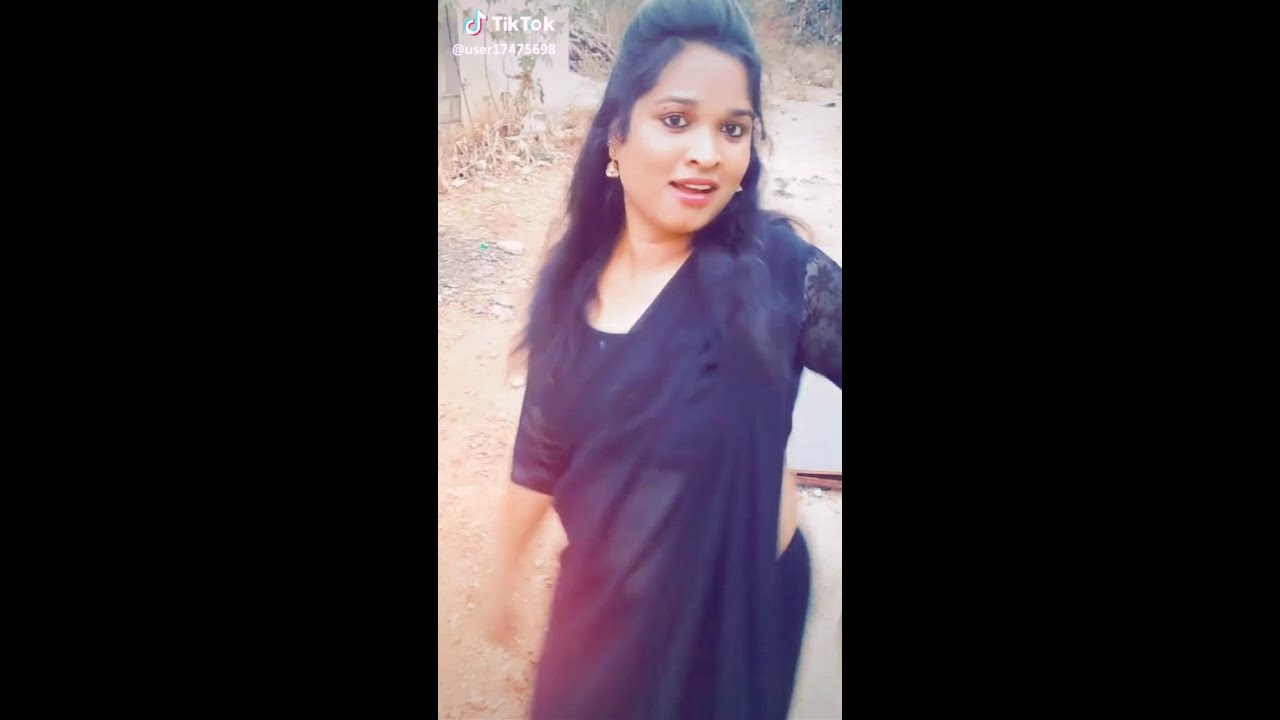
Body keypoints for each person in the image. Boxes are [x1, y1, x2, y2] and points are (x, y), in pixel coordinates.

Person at [480, 0, 842, 717]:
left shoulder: (779, 276)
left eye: (733, 128)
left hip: (736, 632)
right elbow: (541, 452)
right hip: (602, 634)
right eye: (676, 120)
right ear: (615, 137)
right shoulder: (571, 293)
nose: (708, 152)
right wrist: (500, 574)